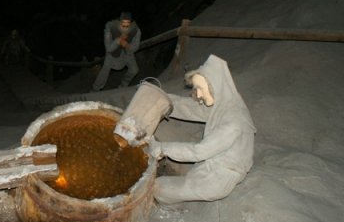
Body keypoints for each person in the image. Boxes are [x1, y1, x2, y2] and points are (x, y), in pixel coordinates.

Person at [147, 54, 256, 204]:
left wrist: (161, 148)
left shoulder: (233, 122)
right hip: (212, 163)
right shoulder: (225, 101)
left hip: (220, 178)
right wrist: (162, 100)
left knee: (158, 188)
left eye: (200, 88)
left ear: (215, 86)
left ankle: (165, 207)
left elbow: (199, 151)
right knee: (167, 183)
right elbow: (193, 109)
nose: (198, 94)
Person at [91, 12, 141, 91]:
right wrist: (118, 40)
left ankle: (123, 85)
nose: (125, 29)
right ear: (119, 23)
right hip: (112, 54)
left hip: (127, 53)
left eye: (127, 26)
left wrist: (127, 45)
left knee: (134, 70)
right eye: (123, 26)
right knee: (104, 71)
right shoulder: (110, 29)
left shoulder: (136, 31)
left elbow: (135, 47)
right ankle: (95, 89)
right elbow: (108, 48)